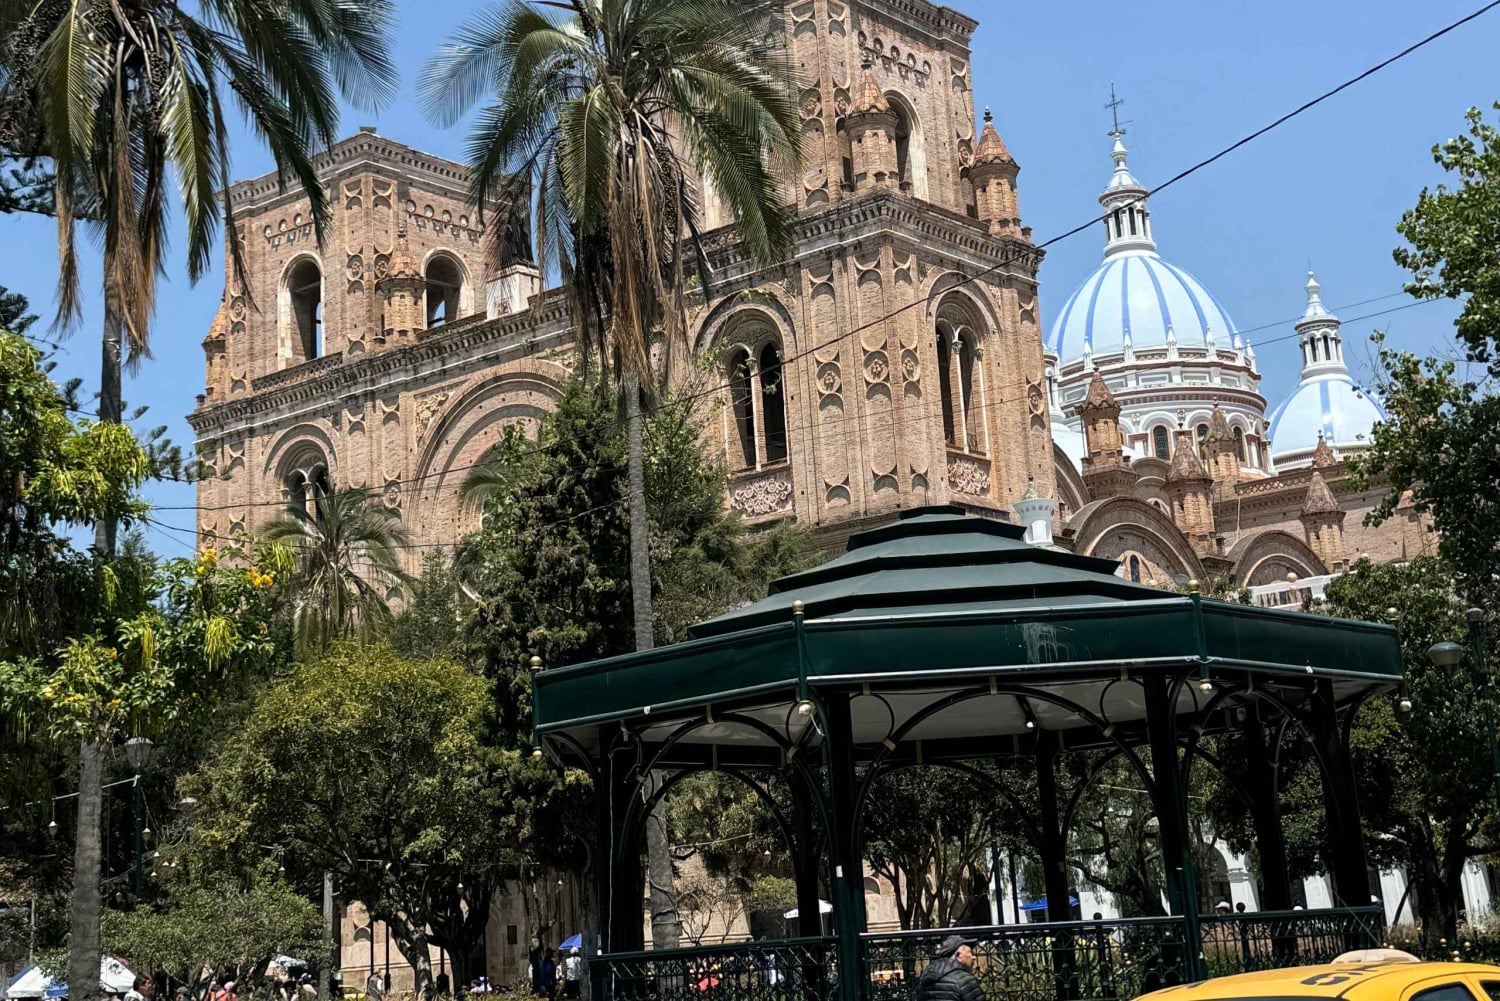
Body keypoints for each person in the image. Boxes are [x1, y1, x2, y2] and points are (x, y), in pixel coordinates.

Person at [915, 935, 984, 1001]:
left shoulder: (925, 977)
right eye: (970, 952)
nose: (973, 957)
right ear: (959, 955)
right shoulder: (965, 980)